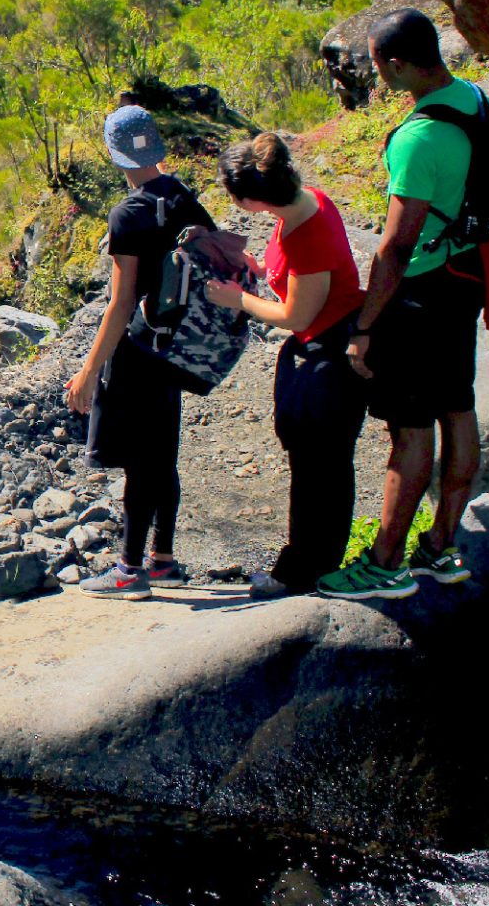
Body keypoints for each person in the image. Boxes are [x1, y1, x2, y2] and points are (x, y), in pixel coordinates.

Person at [317, 7, 489, 601]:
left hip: (422, 293)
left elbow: (395, 246)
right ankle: (440, 547)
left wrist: (366, 324)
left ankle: (385, 562)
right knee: (457, 407)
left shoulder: (419, 139)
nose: (375, 73)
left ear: (396, 64)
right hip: (467, 274)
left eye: (377, 63)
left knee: (410, 430)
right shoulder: (473, 99)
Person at [203, 134, 367, 598]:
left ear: (252, 199)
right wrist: (257, 269)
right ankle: (313, 565)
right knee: (319, 466)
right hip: (320, 347)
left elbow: (297, 315)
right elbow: (295, 280)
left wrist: (240, 299)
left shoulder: (307, 237)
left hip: (328, 356)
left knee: (321, 470)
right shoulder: (306, 203)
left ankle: (303, 572)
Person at [65, 104, 213, 599]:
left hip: (138, 351)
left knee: (138, 464)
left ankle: (129, 572)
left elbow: (120, 302)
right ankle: (163, 559)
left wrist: (89, 371)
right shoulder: (183, 197)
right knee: (162, 455)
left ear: (115, 155)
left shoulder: (128, 213)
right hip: (177, 348)